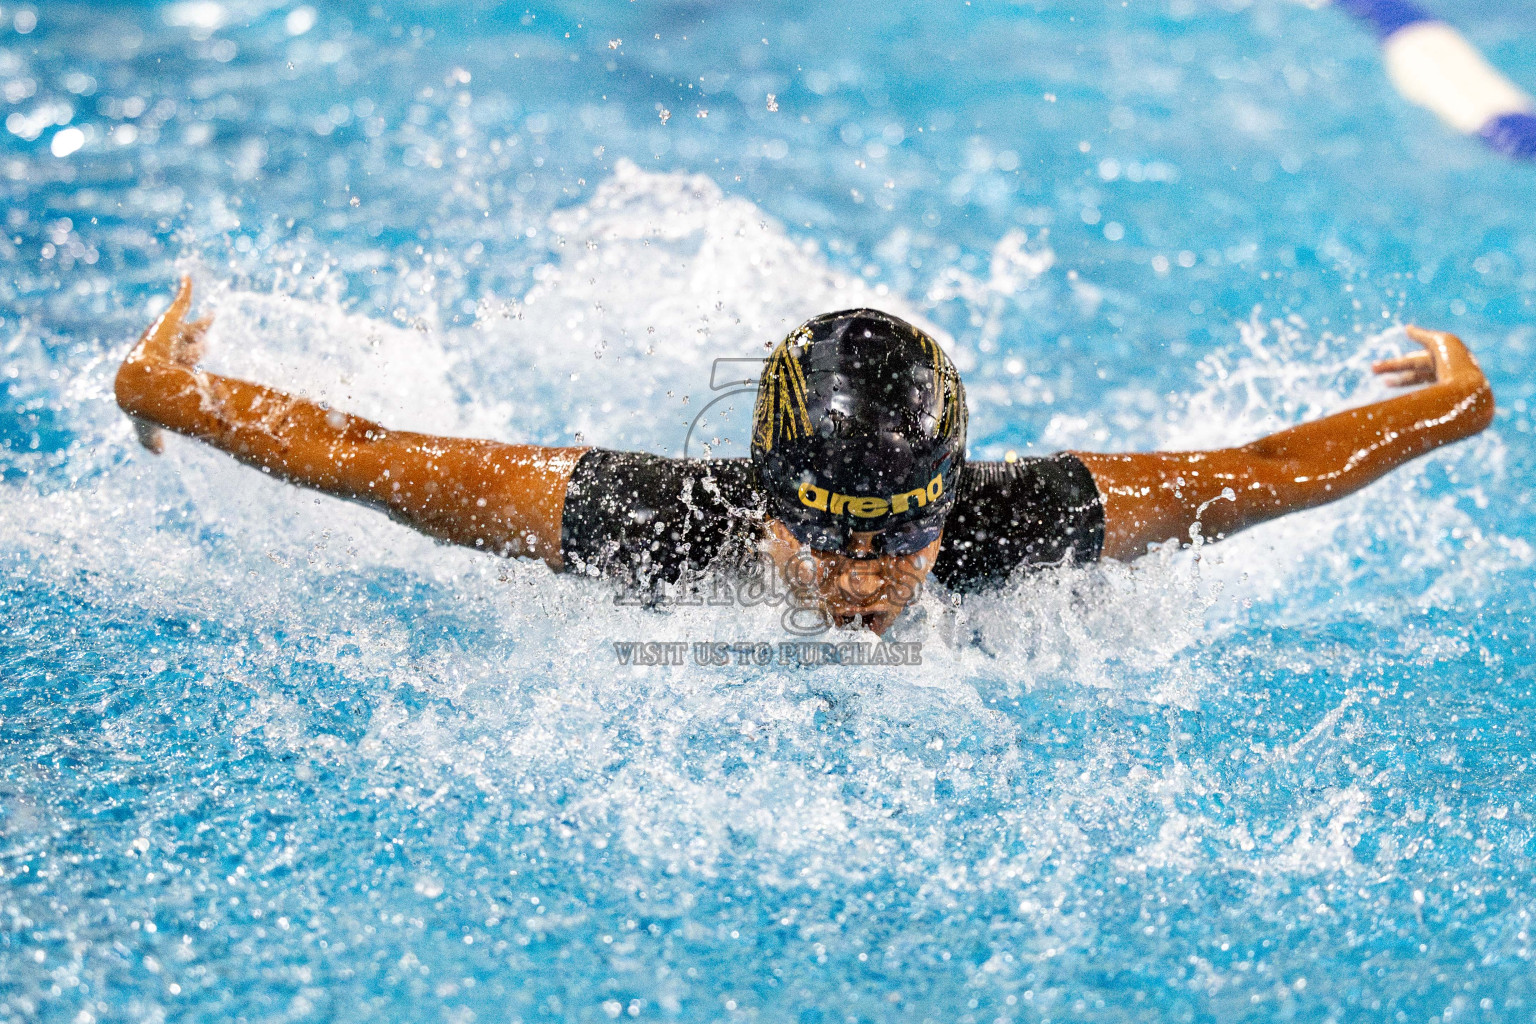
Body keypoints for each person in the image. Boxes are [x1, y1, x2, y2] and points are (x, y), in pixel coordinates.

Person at [116, 278, 1494, 635]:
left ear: (952, 504)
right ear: (762, 503)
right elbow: (369, 454)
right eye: (826, 535)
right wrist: (167, 390)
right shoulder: (656, 521)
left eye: (900, 536)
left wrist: (1452, 407)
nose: (863, 578)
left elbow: (1264, 467)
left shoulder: (1023, 522)